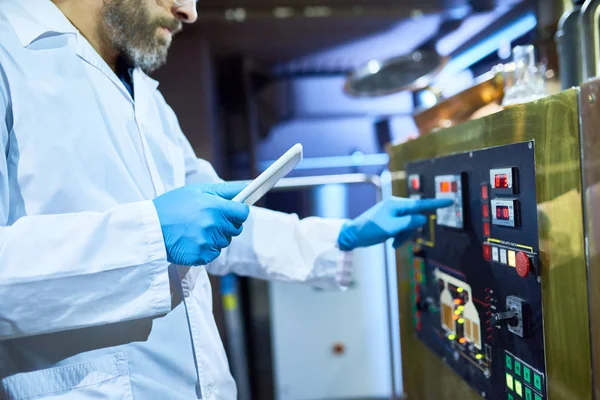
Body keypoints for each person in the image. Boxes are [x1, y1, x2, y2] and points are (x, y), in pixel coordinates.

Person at [0, 0, 451, 399]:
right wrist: (149, 239)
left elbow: (222, 222)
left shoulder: (145, 96)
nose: (190, 11)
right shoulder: (9, 52)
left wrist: (341, 237)